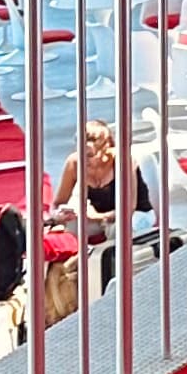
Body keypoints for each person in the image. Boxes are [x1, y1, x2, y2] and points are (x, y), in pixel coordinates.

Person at [47, 116, 157, 296]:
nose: (85, 160)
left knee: (120, 229)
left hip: (136, 214)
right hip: (100, 216)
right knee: (70, 228)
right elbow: (59, 201)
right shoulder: (74, 163)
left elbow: (129, 207)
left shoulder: (123, 161)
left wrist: (96, 217)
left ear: (105, 148)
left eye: (89, 155)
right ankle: (74, 282)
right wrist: (60, 214)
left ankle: (116, 278)